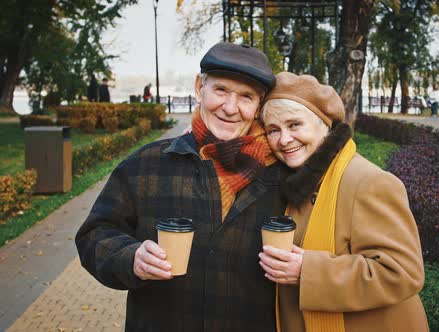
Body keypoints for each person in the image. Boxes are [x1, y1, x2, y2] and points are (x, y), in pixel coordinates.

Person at [76, 43, 287, 331]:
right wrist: (131, 257)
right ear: (200, 88)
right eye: (221, 90)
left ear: (259, 107)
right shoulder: (146, 164)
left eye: (246, 97)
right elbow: (94, 235)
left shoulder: (281, 175)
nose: (230, 107)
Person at [258, 72, 429, 331]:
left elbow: (403, 272)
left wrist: (309, 271)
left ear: (324, 126)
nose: (283, 139)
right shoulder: (298, 181)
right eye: (273, 130)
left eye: (294, 125)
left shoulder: (369, 182)